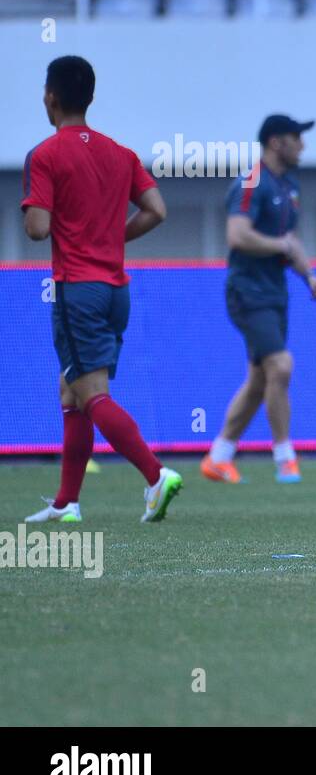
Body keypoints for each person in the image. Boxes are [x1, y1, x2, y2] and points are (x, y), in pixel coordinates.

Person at [22, 55, 183, 524]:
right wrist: (111, 236)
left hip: (77, 289)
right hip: (116, 291)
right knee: (71, 391)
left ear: (49, 97)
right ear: (89, 97)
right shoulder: (120, 152)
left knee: (91, 393)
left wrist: (44, 214)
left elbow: (36, 229)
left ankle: (156, 476)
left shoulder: (46, 154)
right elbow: (156, 210)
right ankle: (67, 502)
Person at [201, 114, 316, 485]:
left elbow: (290, 240)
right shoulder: (252, 180)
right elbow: (238, 236)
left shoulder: (290, 186)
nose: (302, 144)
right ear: (275, 142)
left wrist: (309, 276)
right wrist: (282, 245)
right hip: (247, 290)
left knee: (259, 379)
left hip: (275, 292)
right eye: (296, 137)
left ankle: (219, 457)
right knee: (281, 365)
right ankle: (285, 457)